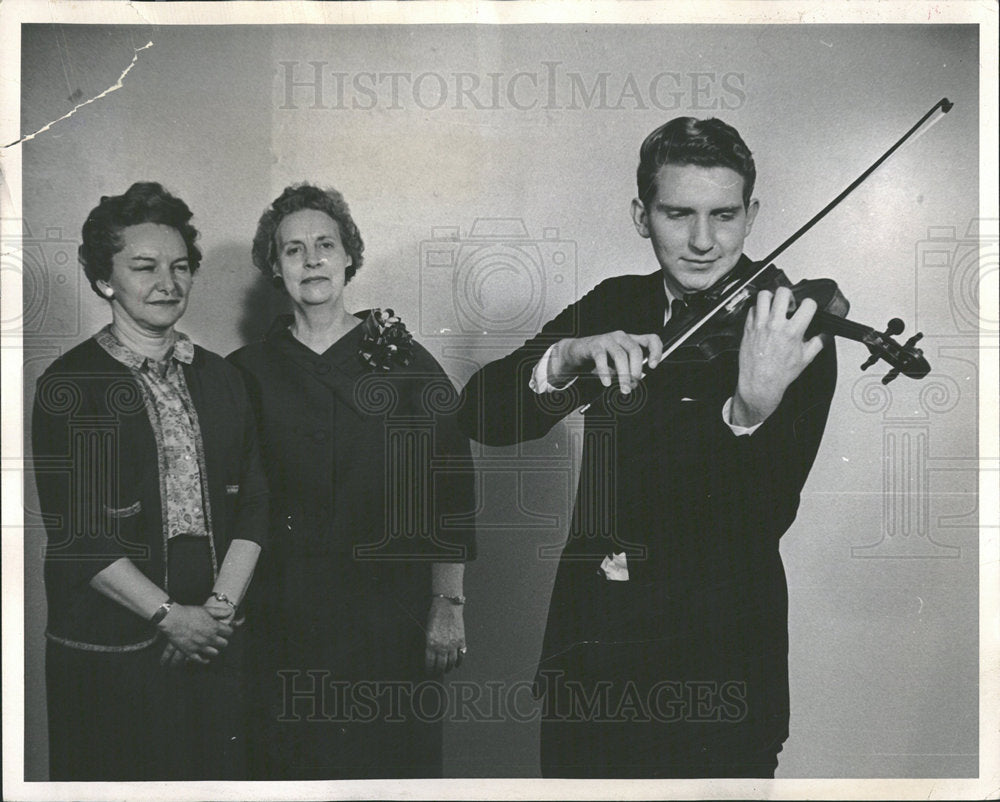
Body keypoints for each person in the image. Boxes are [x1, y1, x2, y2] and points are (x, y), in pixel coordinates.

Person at [457, 117, 838, 778]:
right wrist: (564, 358)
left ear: (751, 216)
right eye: (678, 214)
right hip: (592, 666)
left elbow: (760, 520)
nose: (702, 241)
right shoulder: (617, 303)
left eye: (724, 216)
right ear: (642, 216)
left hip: (717, 681)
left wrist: (750, 411)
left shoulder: (788, 330)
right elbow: (481, 415)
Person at [228, 183, 476, 779]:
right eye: (293, 249)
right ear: (274, 266)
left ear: (348, 256)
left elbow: (449, 484)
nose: (311, 260)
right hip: (283, 620)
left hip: (389, 618)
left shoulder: (406, 362)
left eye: (325, 244)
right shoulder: (245, 372)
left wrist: (447, 602)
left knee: (389, 770)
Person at [31, 182, 268, 780]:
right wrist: (171, 618)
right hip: (112, 644)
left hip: (216, 633)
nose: (168, 282)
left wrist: (216, 612)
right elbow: (79, 535)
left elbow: (257, 503)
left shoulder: (223, 378)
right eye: (144, 267)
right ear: (103, 279)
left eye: (180, 266)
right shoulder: (69, 385)